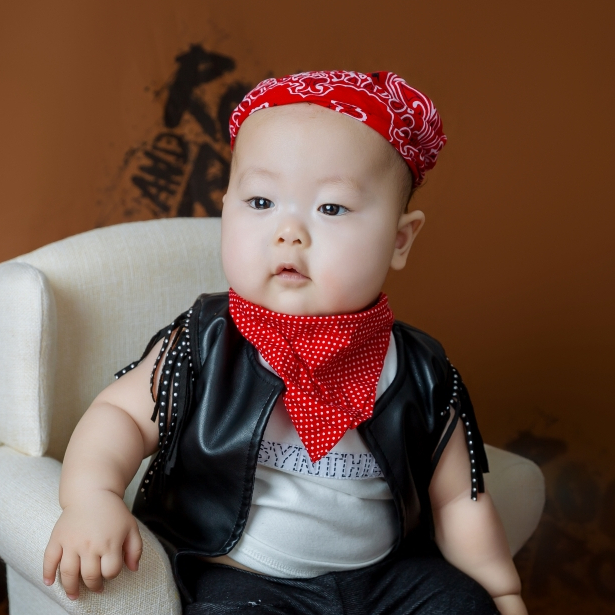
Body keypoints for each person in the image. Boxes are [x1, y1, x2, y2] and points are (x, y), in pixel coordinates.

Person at [43, 70, 527, 614]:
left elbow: (459, 499)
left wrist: (500, 590)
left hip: (386, 579)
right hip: (244, 579)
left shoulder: (419, 369)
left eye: (331, 208)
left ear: (399, 239)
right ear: (226, 209)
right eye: (260, 202)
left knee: (460, 604)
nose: (288, 231)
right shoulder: (205, 340)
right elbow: (120, 417)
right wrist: (92, 498)